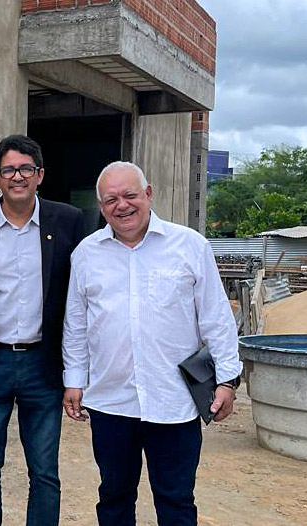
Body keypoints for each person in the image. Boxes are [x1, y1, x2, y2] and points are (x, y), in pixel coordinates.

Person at [62, 161, 243, 526]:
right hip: (112, 400)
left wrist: (227, 380)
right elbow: (76, 324)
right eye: (110, 199)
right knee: (113, 496)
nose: (121, 205)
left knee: (175, 500)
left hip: (174, 401)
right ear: (101, 206)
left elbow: (216, 318)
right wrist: (74, 380)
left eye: (130, 195)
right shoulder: (86, 254)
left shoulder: (190, 246)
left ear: (148, 194)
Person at [0, 134, 85, 526]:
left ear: (40, 175)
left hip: (44, 364)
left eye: (26, 168)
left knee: (44, 472)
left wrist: (79, 369)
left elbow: (83, 294)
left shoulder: (69, 222)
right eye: (9, 170)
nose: (17, 176)